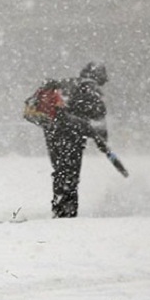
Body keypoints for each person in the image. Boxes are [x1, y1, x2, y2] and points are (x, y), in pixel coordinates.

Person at [41, 62, 109, 218]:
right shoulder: (89, 90)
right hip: (71, 137)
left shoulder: (68, 85)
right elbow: (97, 115)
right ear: (97, 76)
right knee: (70, 173)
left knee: (60, 170)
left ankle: (60, 206)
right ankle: (67, 210)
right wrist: (101, 139)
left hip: (53, 134)